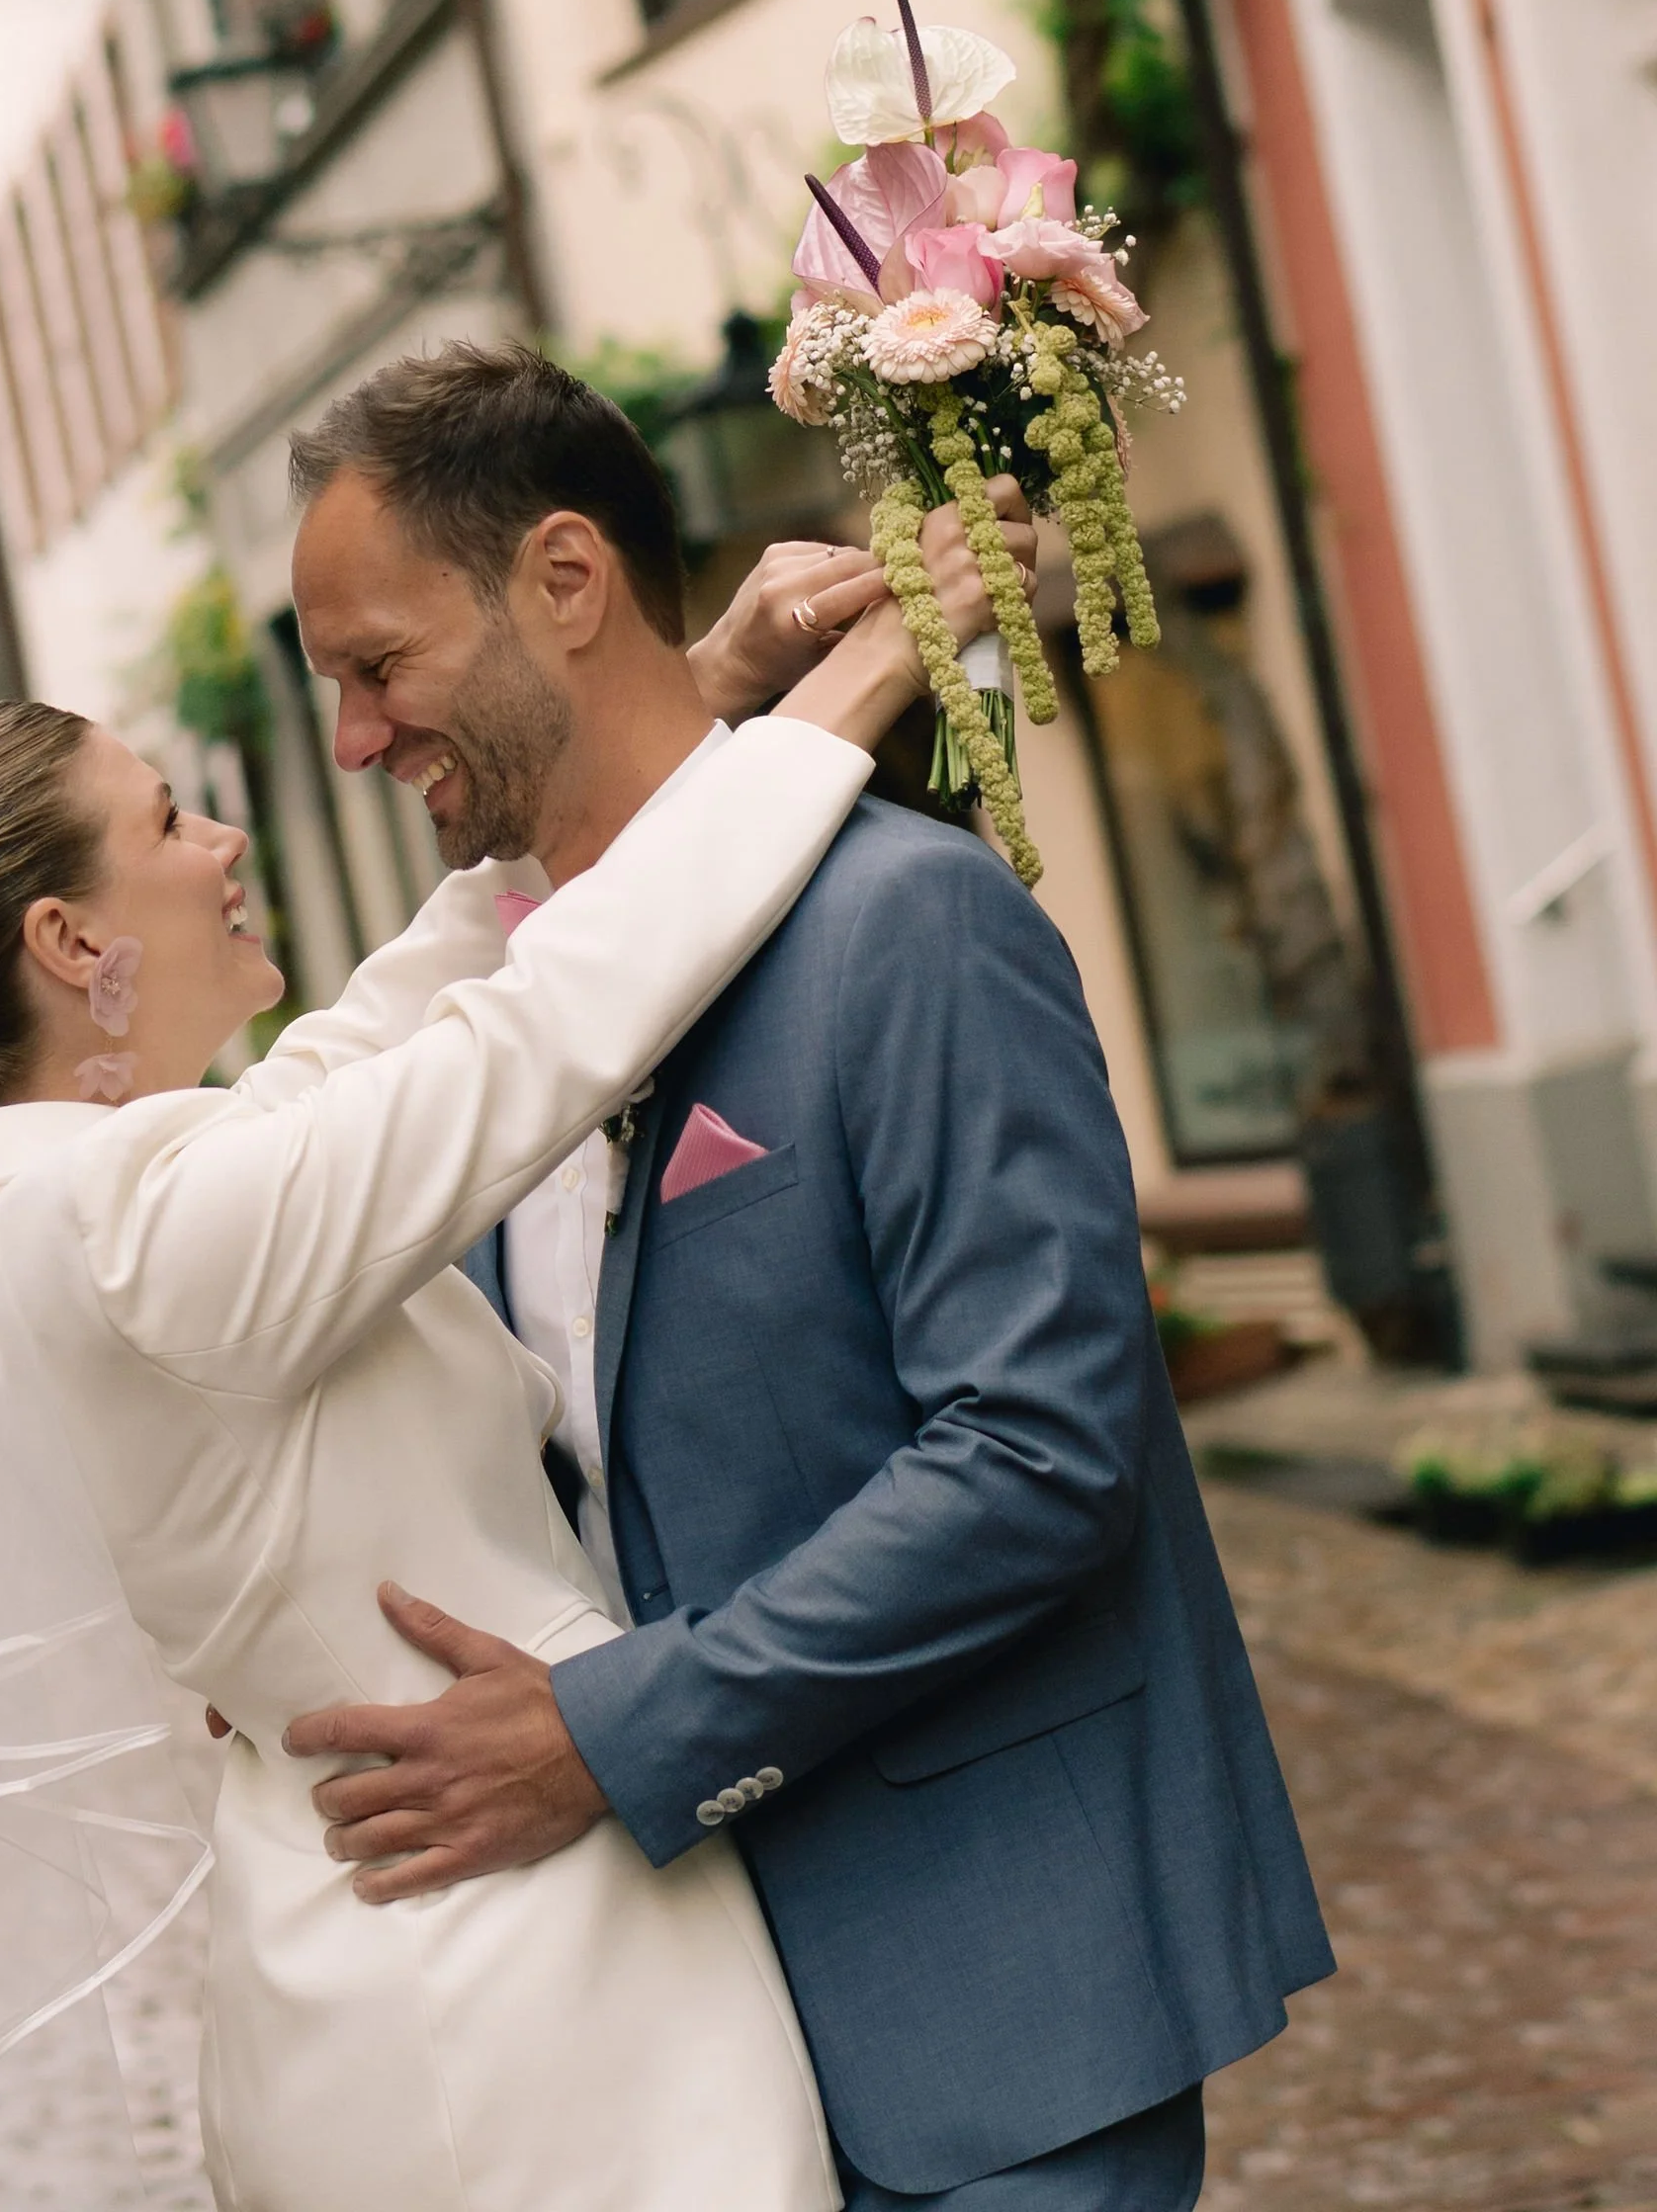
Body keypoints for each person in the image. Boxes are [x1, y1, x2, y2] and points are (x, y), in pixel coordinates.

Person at [0, 521, 984, 2212]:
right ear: (68, 940)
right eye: (168, 819)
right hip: (510, 1972)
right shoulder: (118, 1228)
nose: (222, 840)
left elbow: (380, 1035)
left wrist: (699, 688)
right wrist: (843, 701)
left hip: (386, 1925)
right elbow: (528, 1039)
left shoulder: (38, 1207)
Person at [275, 343, 1336, 2212]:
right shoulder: (514, 1022)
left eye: (379, 667)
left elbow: (1037, 1453)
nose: (355, 740)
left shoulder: (908, 924)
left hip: (999, 2005)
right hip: (689, 2056)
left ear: (569, 581)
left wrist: (608, 1738)